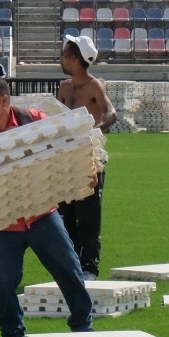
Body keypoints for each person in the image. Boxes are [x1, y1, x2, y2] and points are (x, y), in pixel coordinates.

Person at [0, 77, 93, 337]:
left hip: (42, 215)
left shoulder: (34, 120)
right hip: (3, 221)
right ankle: (13, 336)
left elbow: (64, 148)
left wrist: (84, 170)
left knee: (69, 269)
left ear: (4, 101)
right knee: (2, 280)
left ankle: (83, 327)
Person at [56, 34, 117, 279]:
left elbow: (110, 113)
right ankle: (71, 266)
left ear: (73, 58)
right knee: (66, 215)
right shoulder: (64, 88)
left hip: (88, 157)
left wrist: (93, 129)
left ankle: (89, 267)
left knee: (89, 216)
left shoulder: (93, 86)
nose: (60, 59)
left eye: (63, 55)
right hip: (64, 158)